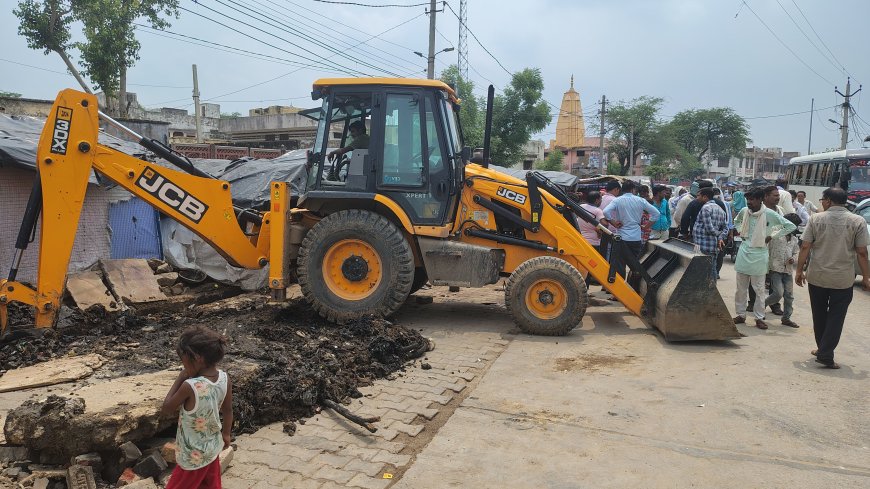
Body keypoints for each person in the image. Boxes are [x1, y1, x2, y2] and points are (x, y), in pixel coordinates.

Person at [795, 187, 870, 369]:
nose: (821, 202)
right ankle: (825, 352)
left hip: (818, 276)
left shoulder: (816, 219)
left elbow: (805, 247)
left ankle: (824, 350)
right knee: (836, 317)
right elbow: (862, 252)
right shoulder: (857, 221)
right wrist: (866, 277)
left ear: (828, 200)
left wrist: (799, 270)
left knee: (819, 314)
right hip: (842, 279)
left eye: (822, 200)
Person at [163, 326, 233, 489]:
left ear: (198, 358)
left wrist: (180, 377)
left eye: (184, 360)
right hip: (213, 447)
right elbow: (228, 410)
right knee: (210, 484)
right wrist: (227, 434)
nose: (183, 365)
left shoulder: (190, 386)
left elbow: (167, 408)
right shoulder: (224, 378)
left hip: (192, 455)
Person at [732, 188, 797, 330]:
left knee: (759, 289)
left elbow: (789, 226)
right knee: (740, 289)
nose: (749, 202)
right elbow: (737, 221)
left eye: (752, 199)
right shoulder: (744, 211)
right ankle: (741, 315)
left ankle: (759, 318)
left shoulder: (769, 213)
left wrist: (771, 235)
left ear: (760, 199)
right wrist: (741, 231)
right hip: (744, 252)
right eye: (748, 199)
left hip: (760, 254)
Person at [603, 180, 660, 280]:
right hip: (636, 237)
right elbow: (656, 214)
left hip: (621, 238)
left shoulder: (617, 200)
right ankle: (635, 289)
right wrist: (646, 227)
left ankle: (619, 293)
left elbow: (606, 211)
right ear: (633, 189)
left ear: (622, 190)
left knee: (620, 266)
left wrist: (614, 223)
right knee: (635, 265)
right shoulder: (640, 200)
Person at [765, 213, 803, 328]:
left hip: (788, 271)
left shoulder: (794, 239)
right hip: (775, 268)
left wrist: (793, 258)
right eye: (795, 225)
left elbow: (796, 252)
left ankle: (786, 318)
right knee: (778, 293)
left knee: (789, 296)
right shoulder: (775, 235)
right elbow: (766, 248)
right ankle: (762, 305)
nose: (796, 228)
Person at [577, 191, 611, 288]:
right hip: (593, 243)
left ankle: (583, 288)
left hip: (582, 240)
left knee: (583, 266)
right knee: (591, 267)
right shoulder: (597, 211)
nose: (601, 201)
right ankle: (587, 288)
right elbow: (604, 224)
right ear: (596, 200)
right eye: (600, 199)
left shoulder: (582, 206)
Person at [691, 188, 728, 278]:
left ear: (705, 197)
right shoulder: (720, 210)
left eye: (698, 196)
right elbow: (725, 228)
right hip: (712, 246)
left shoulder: (705, 208)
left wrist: (718, 234)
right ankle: (711, 289)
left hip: (703, 246)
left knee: (704, 272)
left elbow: (709, 229)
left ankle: (709, 290)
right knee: (712, 269)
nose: (697, 198)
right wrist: (720, 237)